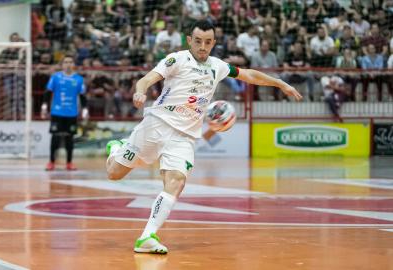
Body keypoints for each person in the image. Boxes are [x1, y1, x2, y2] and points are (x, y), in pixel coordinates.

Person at [105, 20, 302, 254]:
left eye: (208, 42)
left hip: (184, 137)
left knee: (176, 181)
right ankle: (117, 148)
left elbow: (247, 74)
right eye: (198, 41)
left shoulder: (217, 66)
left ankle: (147, 236)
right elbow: (147, 79)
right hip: (156, 125)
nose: (202, 46)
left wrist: (279, 83)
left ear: (213, 43)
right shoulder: (177, 59)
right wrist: (140, 91)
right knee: (115, 174)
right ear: (189, 40)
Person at [41, 55, 89, 171]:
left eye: (70, 62)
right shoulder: (55, 77)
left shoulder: (78, 79)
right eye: (66, 62)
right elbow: (48, 92)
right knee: (55, 138)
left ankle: (69, 163)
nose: (68, 64)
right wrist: (44, 106)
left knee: (70, 138)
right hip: (57, 112)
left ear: (73, 64)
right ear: (62, 65)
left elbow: (82, 96)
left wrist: (85, 109)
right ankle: (51, 162)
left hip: (71, 113)